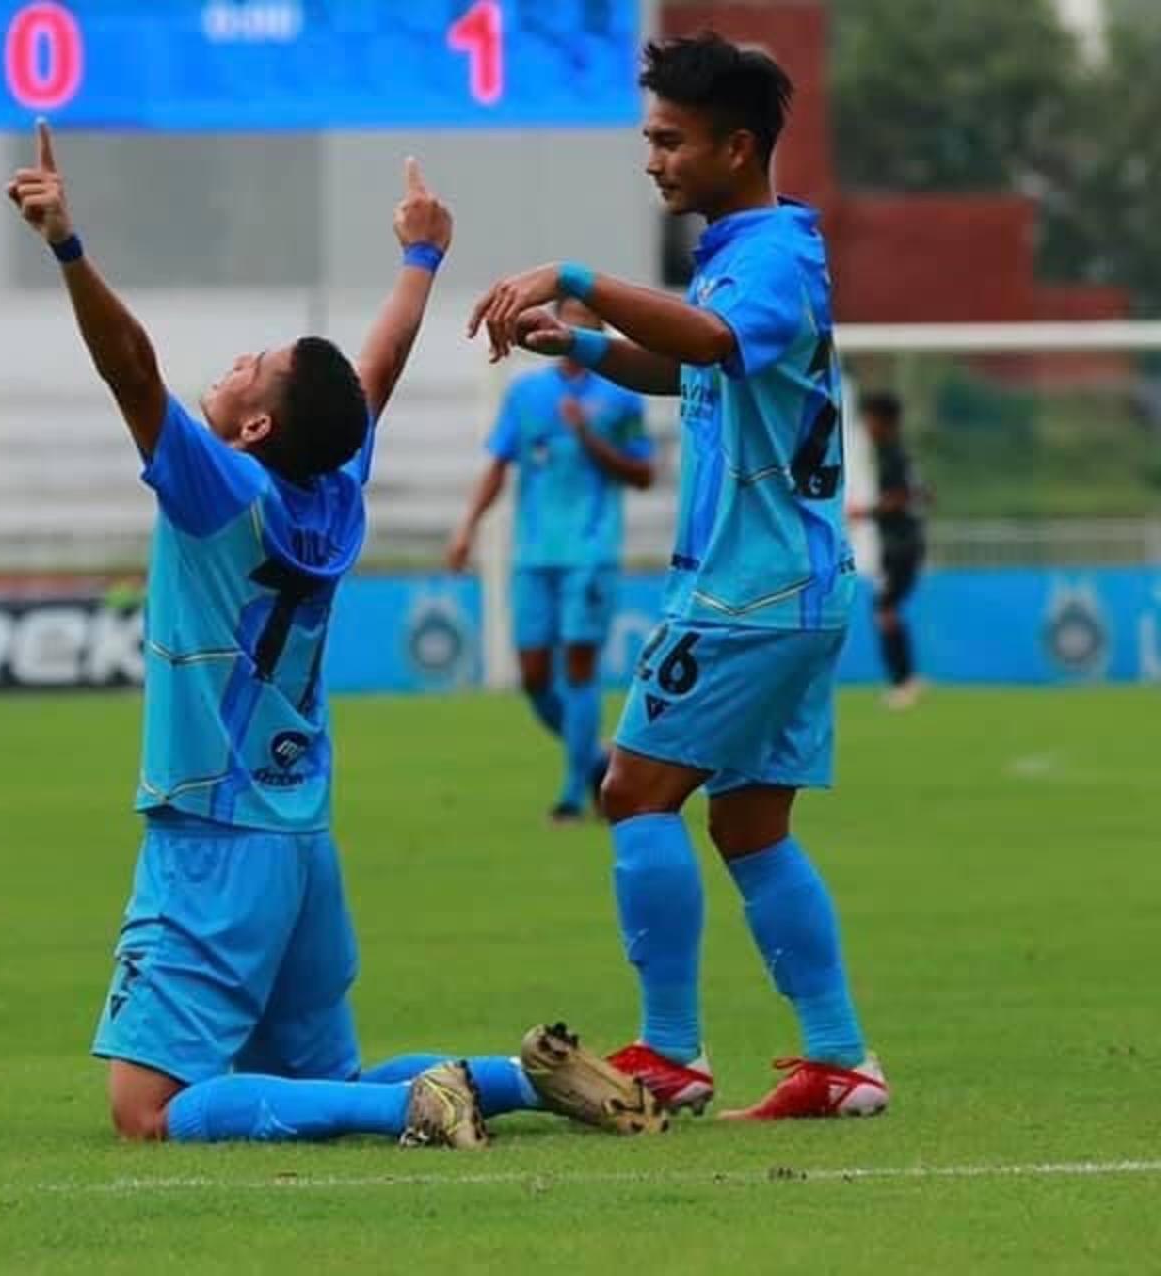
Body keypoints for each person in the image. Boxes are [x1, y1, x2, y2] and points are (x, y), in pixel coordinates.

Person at [6, 122, 663, 1146]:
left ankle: (415, 1104)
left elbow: (132, 372)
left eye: (247, 370)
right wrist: (420, 259)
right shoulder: (333, 490)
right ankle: (522, 1076)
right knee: (317, 1076)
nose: (227, 369)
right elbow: (377, 374)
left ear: (258, 428)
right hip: (301, 836)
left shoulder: (221, 489)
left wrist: (67, 247)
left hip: (216, 836)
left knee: (149, 1110)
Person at [464, 32, 890, 1121]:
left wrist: (573, 276)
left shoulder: (774, 258)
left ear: (736, 147)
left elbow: (708, 339)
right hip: (789, 584)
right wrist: (587, 342)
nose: (652, 160)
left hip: (744, 590)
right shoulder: (751, 249)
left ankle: (670, 1051)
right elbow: (697, 362)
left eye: (669, 141)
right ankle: (839, 1060)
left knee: (632, 791)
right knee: (749, 826)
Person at [446, 297, 652, 822]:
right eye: (568, 319)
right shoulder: (526, 394)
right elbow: (499, 464)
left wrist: (587, 434)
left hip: (592, 550)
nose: (575, 328)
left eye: (586, 321)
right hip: (534, 553)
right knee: (534, 676)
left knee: (580, 666)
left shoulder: (622, 397)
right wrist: (468, 527)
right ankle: (598, 763)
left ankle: (570, 793)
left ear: (598, 329)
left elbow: (643, 474)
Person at [855, 391, 927, 709]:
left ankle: (904, 681)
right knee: (886, 610)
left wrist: (865, 513)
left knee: (885, 610)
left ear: (885, 422)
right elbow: (921, 493)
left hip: (901, 545)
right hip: (898, 543)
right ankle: (905, 679)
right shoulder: (893, 453)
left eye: (870, 419)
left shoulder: (892, 455)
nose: (867, 425)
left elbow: (901, 496)